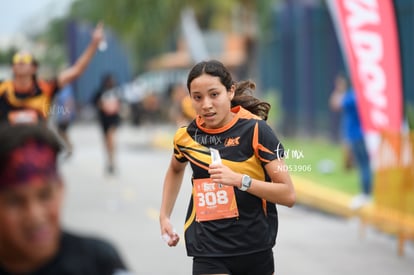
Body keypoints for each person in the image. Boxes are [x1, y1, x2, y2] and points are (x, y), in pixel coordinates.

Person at [159, 60, 296, 275]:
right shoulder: (186, 137)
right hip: (208, 250)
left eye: (214, 95)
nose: (206, 104)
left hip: (254, 249)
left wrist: (240, 180)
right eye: (198, 97)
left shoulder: (257, 131)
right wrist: (164, 216)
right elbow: (175, 169)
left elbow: (288, 195)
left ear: (230, 91)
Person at [0, 123, 130, 275]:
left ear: (61, 189)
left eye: (45, 196)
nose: (35, 216)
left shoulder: (100, 263)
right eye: (15, 201)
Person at [0, 22, 104, 125]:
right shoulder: (3, 88)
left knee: (59, 140)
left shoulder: (45, 87)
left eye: (26, 59)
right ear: (12, 67)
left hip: (38, 136)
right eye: (17, 59)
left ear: (34, 67)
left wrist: (94, 44)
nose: (21, 61)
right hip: (7, 136)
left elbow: (76, 70)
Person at [330, 73, 373, 210]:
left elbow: (335, 103)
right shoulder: (361, 95)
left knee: (363, 165)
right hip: (361, 135)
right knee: (363, 165)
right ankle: (366, 194)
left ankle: (366, 195)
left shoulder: (353, 96)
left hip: (357, 136)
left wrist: (339, 89)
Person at [93, 73, 121, 174]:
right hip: (104, 119)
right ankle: (109, 161)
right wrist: (101, 106)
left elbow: (120, 103)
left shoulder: (116, 91)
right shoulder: (100, 92)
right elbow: (94, 102)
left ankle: (112, 161)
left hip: (113, 119)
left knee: (111, 138)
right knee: (106, 142)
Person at [54, 84, 76, 157]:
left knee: (62, 131)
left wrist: (66, 115)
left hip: (64, 115)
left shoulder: (66, 89)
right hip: (60, 114)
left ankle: (70, 146)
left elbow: (68, 101)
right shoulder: (60, 88)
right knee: (60, 131)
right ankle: (68, 147)